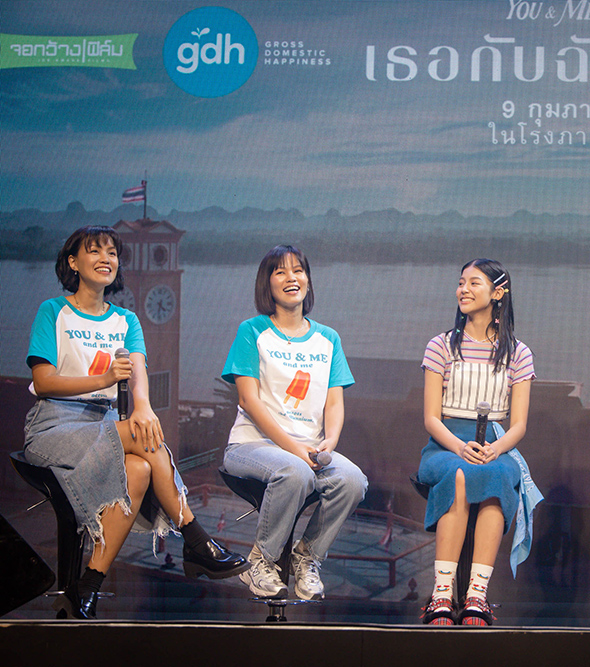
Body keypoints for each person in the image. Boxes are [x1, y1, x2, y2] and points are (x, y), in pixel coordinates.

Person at [23, 225, 248, 620]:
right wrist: (105, 379)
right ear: (73, 262)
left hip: (105, 423)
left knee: (140, 468)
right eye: (95, 251)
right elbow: (44, 382)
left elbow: (139, 374)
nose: (106, 258)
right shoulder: (53, 311)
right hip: (56, 424)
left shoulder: (126, 320)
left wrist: (143, 406)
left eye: (112, 252)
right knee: (142, 440)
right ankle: (196, 539)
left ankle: (87, 586)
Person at [221, 245, 367, 600]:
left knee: (352, 481)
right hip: (252, 445)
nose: (292, 278)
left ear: (308, 280)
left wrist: (330, 440)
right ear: (267, 283)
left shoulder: (328, 338)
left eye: (298, 270)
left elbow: (334, 401)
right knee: (295, 471)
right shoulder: (252, 331)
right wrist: (294, 449)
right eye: (281, 271)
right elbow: (248, 400)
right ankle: (261, 561)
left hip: (309, 449)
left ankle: (307, 556)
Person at [416, 258, 542, 626]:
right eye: (461, 283)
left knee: (499, 476)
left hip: (495, 444)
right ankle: (441, 595)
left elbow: (518, 425)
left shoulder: (518, 353)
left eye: (474, 283)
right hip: (445, 444)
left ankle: (477, 595)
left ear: (498, 292)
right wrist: (459, 447)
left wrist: (495, 449)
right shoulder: (441, 346)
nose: (464, 290)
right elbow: (431, 418)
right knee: (458, 473)